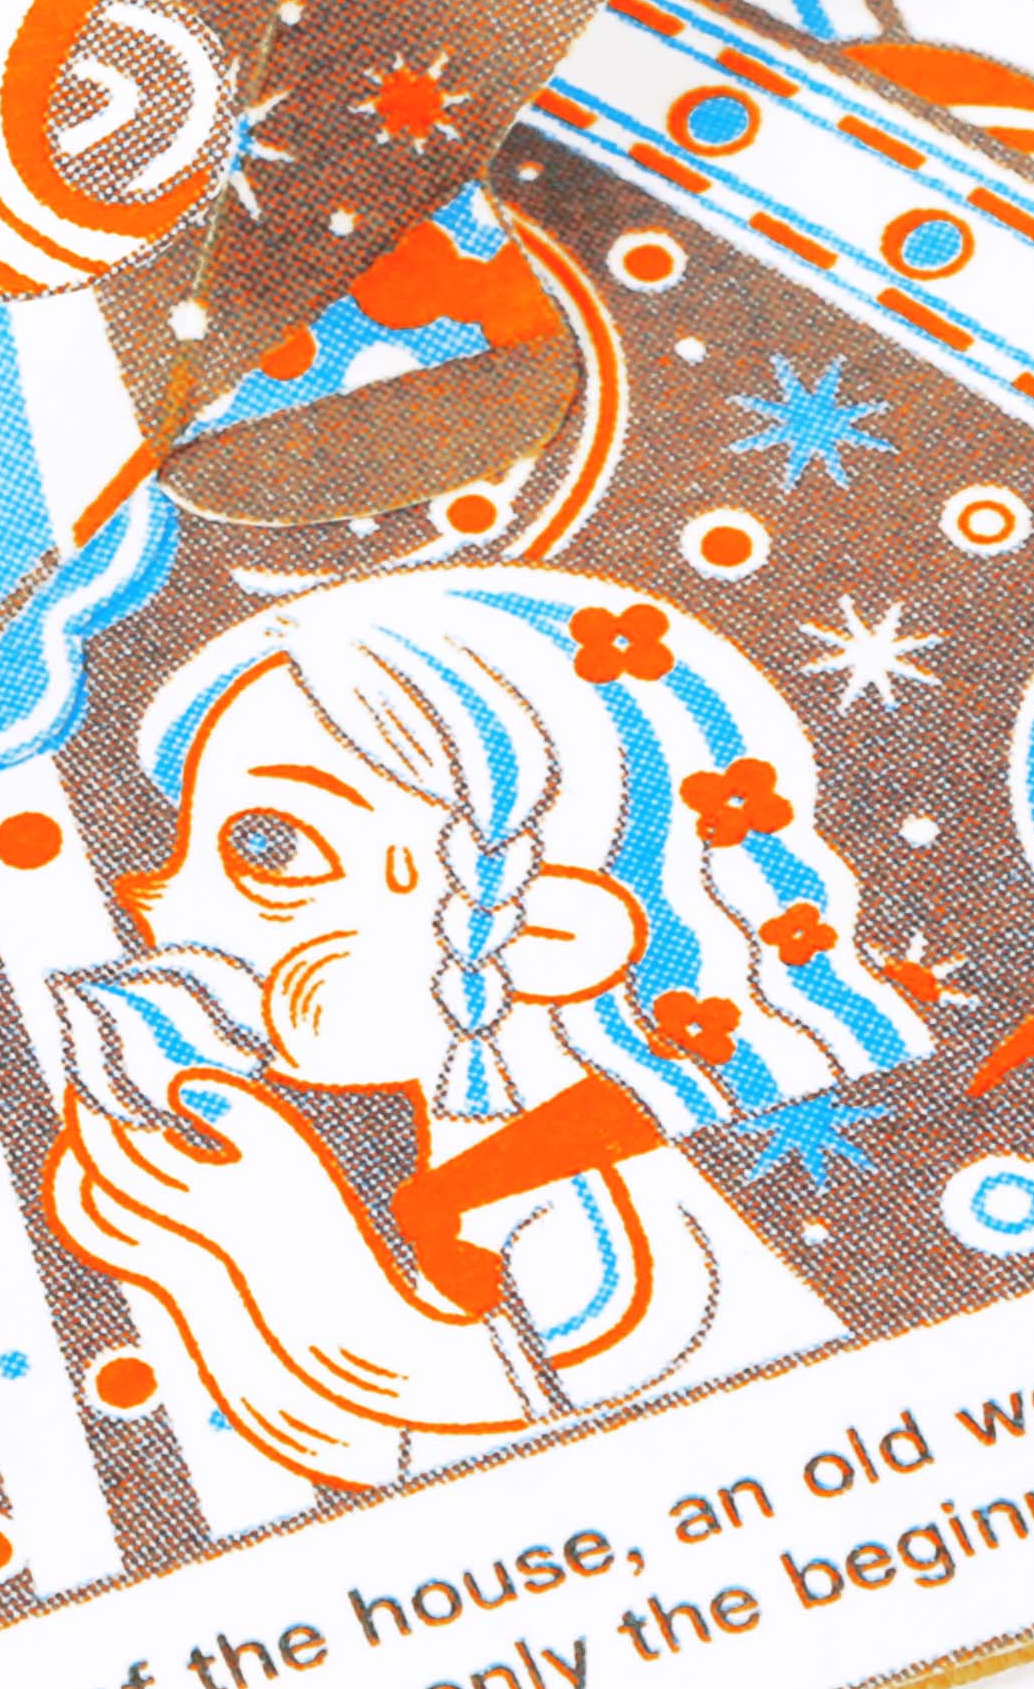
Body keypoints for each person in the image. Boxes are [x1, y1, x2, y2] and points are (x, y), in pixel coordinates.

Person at [45, 568, 933, 1487]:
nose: (152, 901)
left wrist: (267, 1239)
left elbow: (562, 1407)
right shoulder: (471, 1158)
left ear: (550, 936)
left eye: (268, 847)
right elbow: (395, 1465)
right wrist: (192, 1262)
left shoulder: (593, 1163)